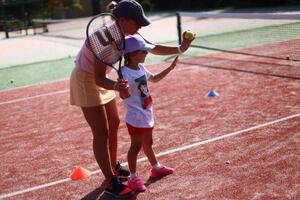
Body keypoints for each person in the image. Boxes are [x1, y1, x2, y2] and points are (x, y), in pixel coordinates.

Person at [69, 0, 195, 198]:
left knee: (114, 122)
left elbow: (151, 47)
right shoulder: (103, 39)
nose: (140, 26)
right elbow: (98, 77)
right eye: (137, 22)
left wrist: (180, 48)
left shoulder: (129, 32)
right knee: (101, 132)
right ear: (123, 20)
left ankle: (114, 167)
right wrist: (115, 85)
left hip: (103, 79)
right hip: (86, 80)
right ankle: (110, 181)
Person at [121, 34, 179, 192]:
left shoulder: (140, 68)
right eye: (144, 51)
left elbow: (153, 78)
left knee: (149, 144)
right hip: (135, 117)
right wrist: (122, 90)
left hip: (146, 112)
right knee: (136, 146)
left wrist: (170, 68)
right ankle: (133, 178)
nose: (147, 53)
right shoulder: (124, 73)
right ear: (133, 54)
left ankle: (156, 168)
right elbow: (124, 96)